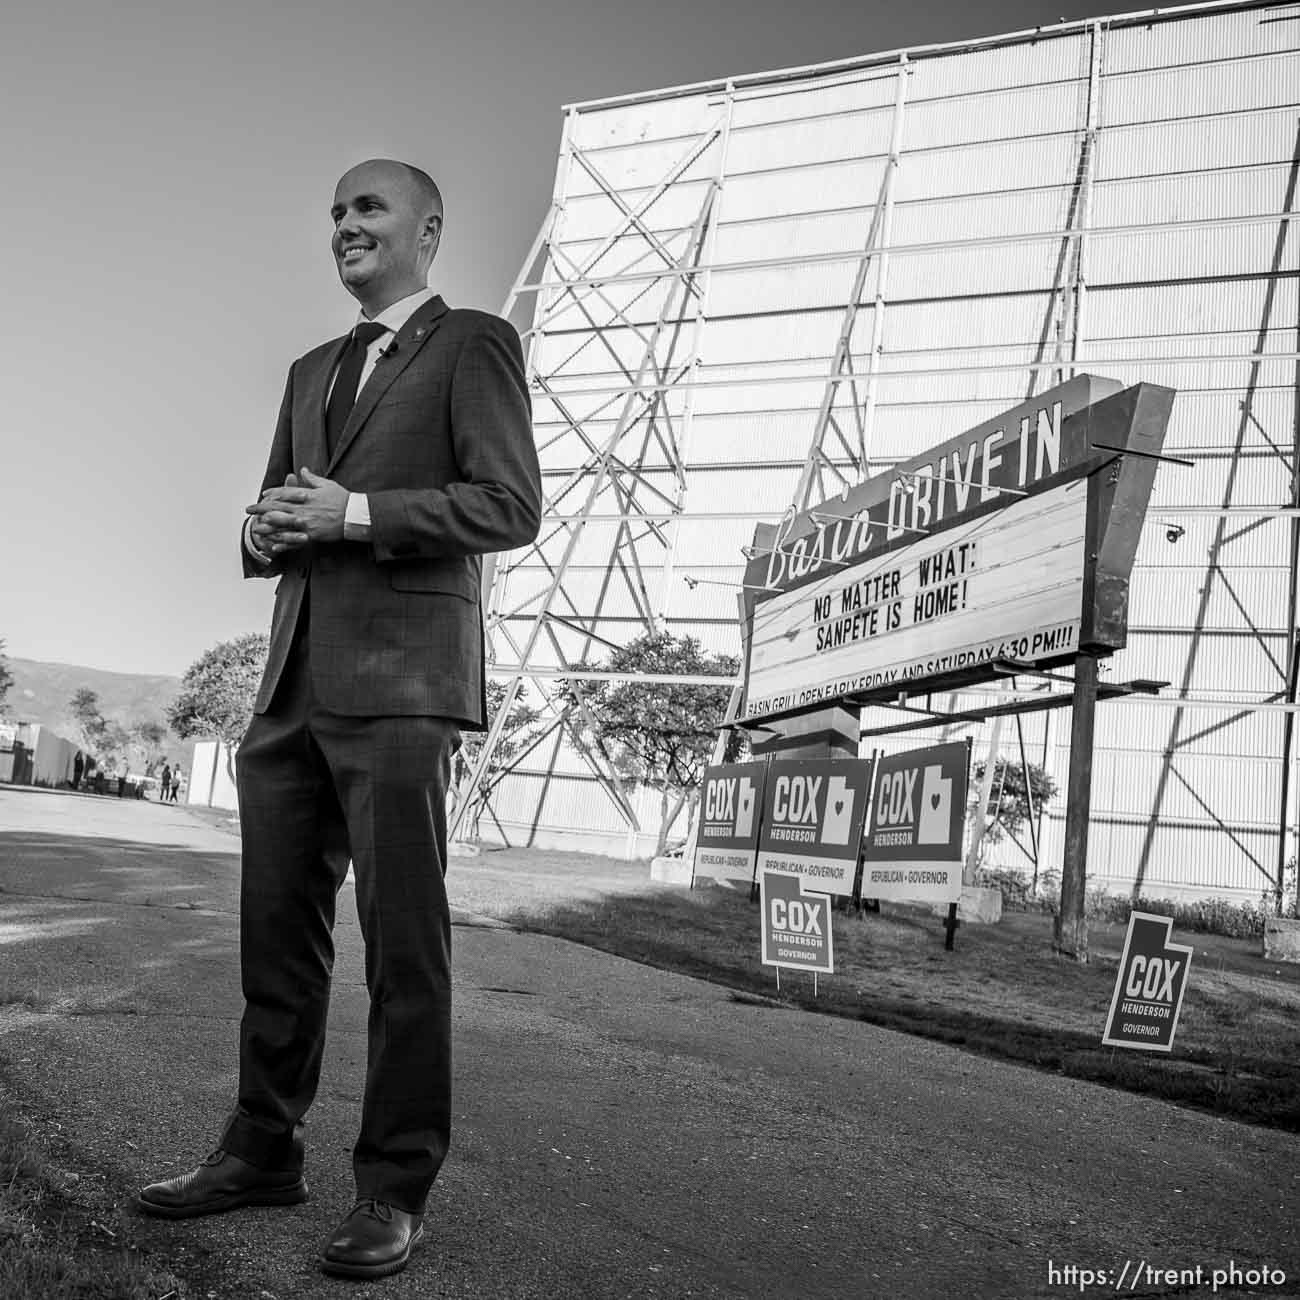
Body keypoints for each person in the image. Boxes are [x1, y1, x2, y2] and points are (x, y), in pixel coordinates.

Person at [136, 159, 542, 1282]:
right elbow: (281, 503)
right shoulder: (309, 369)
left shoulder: (473, 346)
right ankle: (261, 1150)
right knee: (277, 938)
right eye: (334, 214)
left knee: (404, 951)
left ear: (427, 229)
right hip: (289, 692)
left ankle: (392, 1189)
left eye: (367, 209)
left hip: (404, 690)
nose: (345, 226)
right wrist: (262, 531)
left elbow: (510, 505)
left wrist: (356, 511)